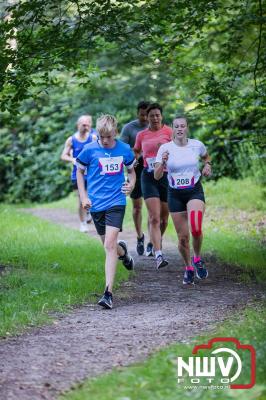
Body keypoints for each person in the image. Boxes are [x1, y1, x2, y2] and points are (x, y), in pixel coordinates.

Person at [76, 114, 136, 309]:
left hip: (116, 201)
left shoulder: (124, 150)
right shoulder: (89, 150)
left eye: (109, 137)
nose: (105, 141)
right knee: (109, 246)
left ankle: (108, 293)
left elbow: (132, 172)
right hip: (96, 204)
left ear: (115, 133)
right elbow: (79, 171)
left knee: (109, 245)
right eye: (102, 137)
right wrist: (84, 197)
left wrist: (131, 185)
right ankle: (124, 253)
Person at [154, 115, 212, 285]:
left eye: (182, 126)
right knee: (183, 238)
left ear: (187, 128)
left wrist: (208, 165)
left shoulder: (196, 145)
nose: (179, 129)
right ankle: (188, 267)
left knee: (195, 228)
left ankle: (197, 258)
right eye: (176, 126)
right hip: (175, 194)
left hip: (194, 191)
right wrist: (162, 163)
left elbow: (206, 157)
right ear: (172, 129)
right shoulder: (165, 148)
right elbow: (157, 176)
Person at [134, 103, 172, 269]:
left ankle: (154, 240)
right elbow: (136, 151)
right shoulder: (141, 135)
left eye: (157, 115)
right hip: (148, 176)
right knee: (154, 217)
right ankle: (158, 254)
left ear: (161, 116)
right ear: (147, 118)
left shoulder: (169, 132)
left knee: (164, 219)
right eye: (151, 116)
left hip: (167, 177)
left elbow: (180, 149)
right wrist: (134, 159)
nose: (155, 118)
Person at [120, 101, 152, 256]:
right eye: (142, 114)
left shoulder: (156, 126)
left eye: (148, 114)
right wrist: (138, 151)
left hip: (152, 170)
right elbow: (123, 149)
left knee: (153, 209)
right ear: (137, 113)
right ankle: (140, 236)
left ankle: (152, 241)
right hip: (135, 170)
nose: (145, 117)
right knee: (137, 207)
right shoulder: (129, 128)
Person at [61, 115, 97, 233]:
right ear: (78, 125)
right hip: (77, 173)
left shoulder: (92, 138)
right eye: (83, 125)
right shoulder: (71, 140)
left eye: (88, 124)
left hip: (91, 173)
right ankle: (82, 224)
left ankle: (89, 213)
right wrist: (73, 160)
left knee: (92, 197)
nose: (86, 127)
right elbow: (63, 155)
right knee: (82, 199)